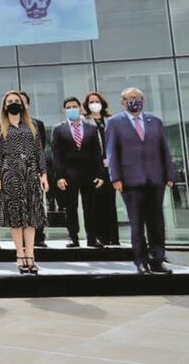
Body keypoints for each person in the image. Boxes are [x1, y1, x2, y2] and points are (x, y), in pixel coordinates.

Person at [105, 87, 176, 275]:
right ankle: (141, 262)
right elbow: (112, 152)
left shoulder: (155, 121)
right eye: (129, 98)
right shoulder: (114, 123)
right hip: (130, 181)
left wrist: (169, 175)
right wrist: (115, 177)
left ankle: (157, 260)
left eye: (137, 98)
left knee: (157, 223)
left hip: (155, 179)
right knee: (137, 224)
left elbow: (164, 150)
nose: (134, 101)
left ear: (143, 101)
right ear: (123, 102)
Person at [0, 91, 49, 275]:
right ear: (4, 105)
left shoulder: (32, 125)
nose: (14, 103)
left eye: (17, 100)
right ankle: (19, 254)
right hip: (10, 173)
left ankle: (30, 255)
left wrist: (43, 174)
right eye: (10, 101)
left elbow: (39, 151)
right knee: (15, 217)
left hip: (31, 172)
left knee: (32, 216)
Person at [51, 97, 106, 248]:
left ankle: (92, 238)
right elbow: (57, 154)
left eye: (74, 106)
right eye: (68, 107)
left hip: (89, 173)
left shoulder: (91, 128)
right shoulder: (59, 129)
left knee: (90, 207)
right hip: (69, 173)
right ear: (64, 110)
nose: (72, 109)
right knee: (70, 207)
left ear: (80, 108)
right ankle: (73, 237)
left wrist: (100, 174)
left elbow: (97, 153)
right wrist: (59, 176)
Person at [82, 91, 120, 245]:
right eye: (91, 102)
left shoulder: (111, 120)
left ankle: (113, 237)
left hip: (110, 166)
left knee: (110, 203)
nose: (94, 104)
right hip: (94, 168)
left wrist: (111, 159)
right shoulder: (84, 121)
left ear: (102, 103)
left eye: (96, 101)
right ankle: (99, 236)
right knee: (95, 203)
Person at [18, 91, 51, 248]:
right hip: (14, 171)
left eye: (23, 102)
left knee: (36, 204)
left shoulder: (38, 124)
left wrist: (41, 172)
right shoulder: (4, 125)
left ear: (28, 105)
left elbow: (41, 148)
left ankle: (38, 237)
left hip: (33, 170)